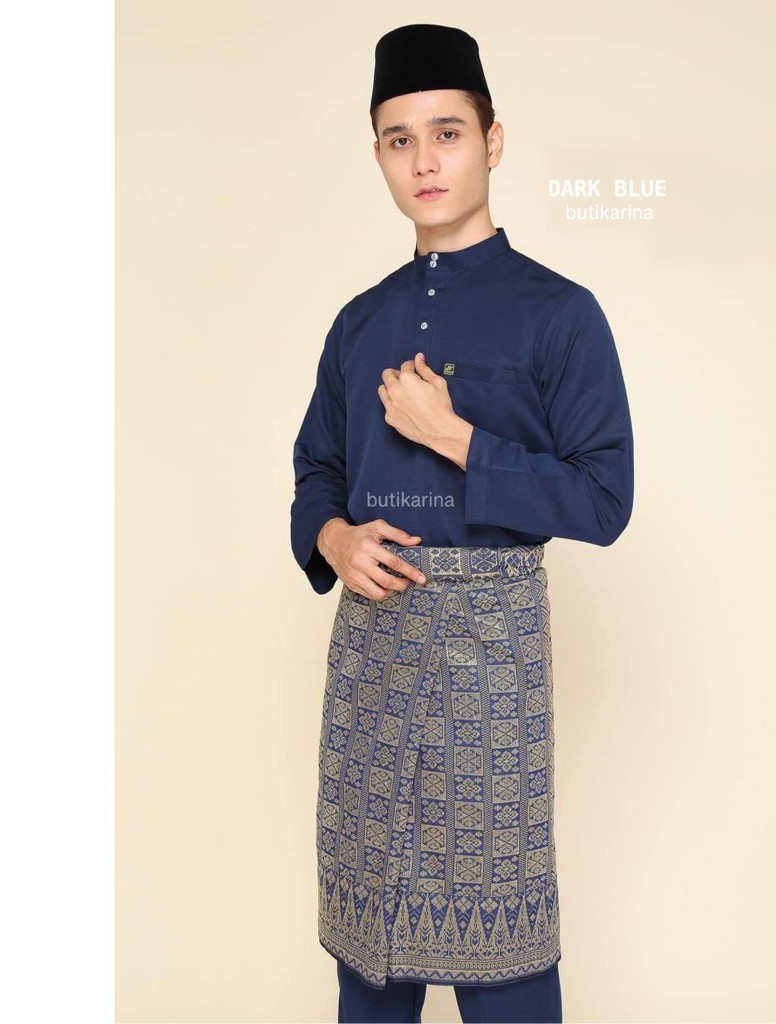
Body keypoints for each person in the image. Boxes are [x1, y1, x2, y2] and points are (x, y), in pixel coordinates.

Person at [290, 23, 634, 1024]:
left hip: (492, 657)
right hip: (372, 649)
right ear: (378, 157)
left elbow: (603, 498)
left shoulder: (560, 314)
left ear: (493, 141)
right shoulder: (358, 322)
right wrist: (334, 539)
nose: (425, 160)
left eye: (447, 132)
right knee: (371, 954)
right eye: (399, 140)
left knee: (504, 959)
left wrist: (455, 439)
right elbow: (317, 470)